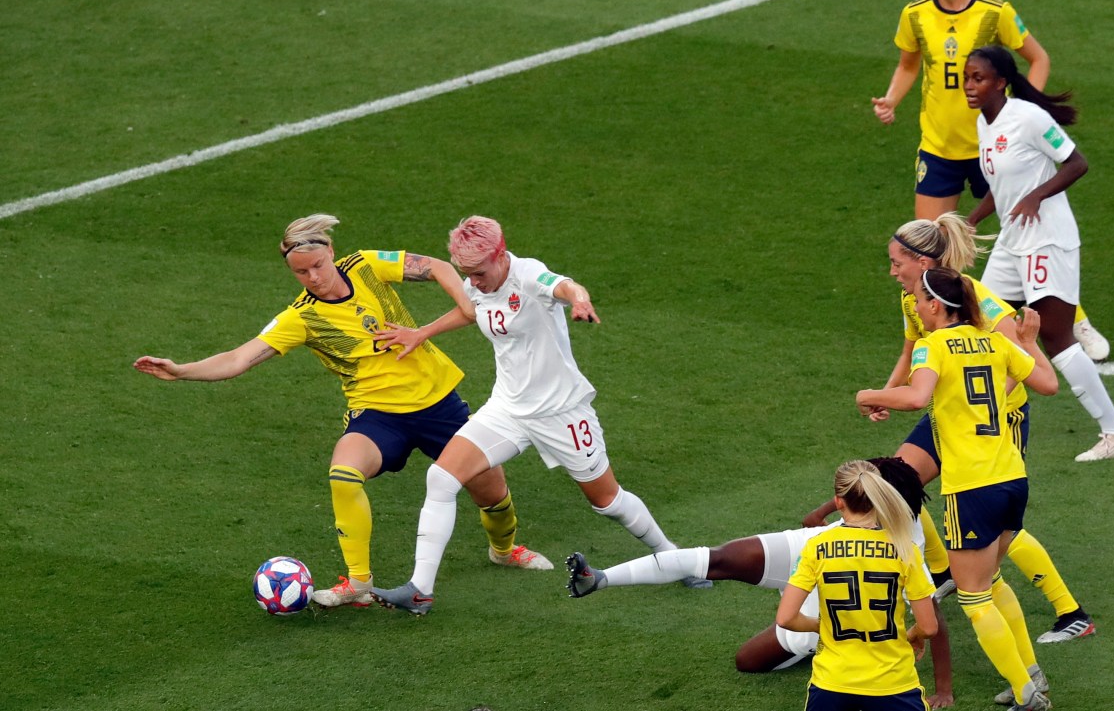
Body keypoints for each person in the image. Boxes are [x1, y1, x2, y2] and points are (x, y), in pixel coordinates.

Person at [133, 214, 552, 609]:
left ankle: (504, 550)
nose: (312, 277)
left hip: (438, 402)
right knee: (343, 473)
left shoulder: (366, 265)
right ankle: (359, 582)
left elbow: (438, 265)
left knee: (490, 491)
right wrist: (181, 370)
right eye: (301, 272)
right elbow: (239, 358)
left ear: (330, 251)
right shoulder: (303, 317)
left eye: (316, 265)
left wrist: (463, 307)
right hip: (377, 415)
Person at [368, 215, 708, 615]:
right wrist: (422, 332)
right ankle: (419, 590)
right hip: (507, 409)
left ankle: (675, 559)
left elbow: (565, 286)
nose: (472, 282)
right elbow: (471, 309)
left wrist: (579, 300)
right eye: (466, 274)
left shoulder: (530, 276)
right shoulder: (477, 283)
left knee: (607, 501)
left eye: (477, 273)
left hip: (561, 412)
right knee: (441, 477)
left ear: (499, 254)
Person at [824, 214, 1094, 644]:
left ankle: (1070, 611)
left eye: (897, 263)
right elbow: (912, 351)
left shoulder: (975, 297)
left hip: (998, 418)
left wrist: (974, 412)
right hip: (948, 413)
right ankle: (945, 568)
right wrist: (884, 395)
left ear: (922, 260)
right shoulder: (916, 299)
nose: (892, 271)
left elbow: (1017, 360)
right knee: (895, 482)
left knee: (998, 517)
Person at [565, 457, 957, 707]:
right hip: (881, 666)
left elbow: (788, 616)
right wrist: (941, 687)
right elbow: (930, 621)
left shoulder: (821, 545)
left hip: (819, 639)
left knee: (738, 627)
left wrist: (828, 629)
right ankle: (600, 578)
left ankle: (602, 578)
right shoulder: (907, 543)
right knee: (725, 576)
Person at [872, 0, 1109, 360]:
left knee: (1027, 239)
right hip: (939, 148)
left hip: (994, 155)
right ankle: (938, 329)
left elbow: (1039, 59)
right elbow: (908, 64)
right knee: (928, 247)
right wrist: (892, 99)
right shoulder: (914, 15)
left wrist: (1018, 116)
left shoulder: (995, 12)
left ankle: (1073, 319)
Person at [857, 267, 1059, 710]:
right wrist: (1028, 342)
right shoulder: (996, 340)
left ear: (935, 305)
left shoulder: (934, 346)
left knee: (973, 597)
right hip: (1012, 478)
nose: (919, 310)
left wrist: (868, 394)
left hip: (971, 487)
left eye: (922, 303)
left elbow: (915, 397)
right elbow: (1048, 383)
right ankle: (1029, 674)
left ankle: (1028, 698)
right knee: (994, 580)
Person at [963, 45, 1114, 462]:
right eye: (967, 77)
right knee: (979, 317)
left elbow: (1076, 163)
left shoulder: (1030, 118)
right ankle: (991, 414)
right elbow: (1003, 190)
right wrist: (968, 222)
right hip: (1012, 239)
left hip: (1047, 239)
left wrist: (1037, 196)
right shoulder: (985, 123)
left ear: (1001, 82)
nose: (969, 86)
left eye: (979, 78)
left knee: (1057, 336)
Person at [775, 460, 938, 711]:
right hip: (893, 684)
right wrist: (912, 636)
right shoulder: (905, 549)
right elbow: (928, 626)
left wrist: (820, 626)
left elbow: (786, 618)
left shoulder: (816, 547)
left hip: (832, 683)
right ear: (877, 497)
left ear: (839, 501)